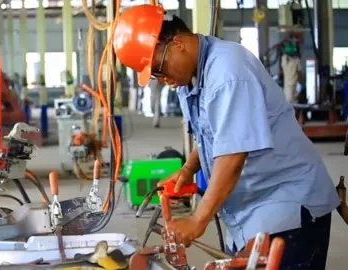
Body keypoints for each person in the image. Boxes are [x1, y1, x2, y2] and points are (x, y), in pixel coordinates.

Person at [112, 5, 339, 269]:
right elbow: (212, 134)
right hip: (250, 210)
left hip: (287, 207)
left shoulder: (227, 72)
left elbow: (233, 156)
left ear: (177, 43)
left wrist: (198, 219)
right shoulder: (191, 79)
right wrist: (188, 168)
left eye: (158, 68)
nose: (161, 79)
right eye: (153, 75)